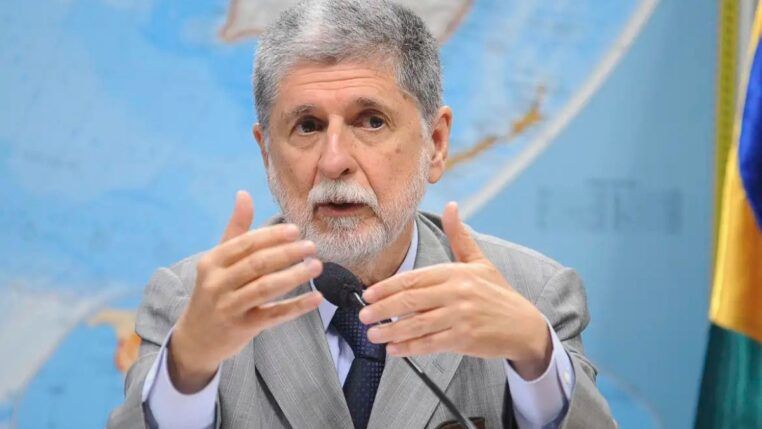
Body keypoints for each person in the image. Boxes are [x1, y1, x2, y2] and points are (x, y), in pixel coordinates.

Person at [108, 1, 615, 428]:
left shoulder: (529, 294)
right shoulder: (192, 304)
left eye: (371, 121)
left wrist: (534, 356)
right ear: (266, 153)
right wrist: (188, 366)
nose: (334, 161)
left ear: (436, 144)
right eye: (307, 126)